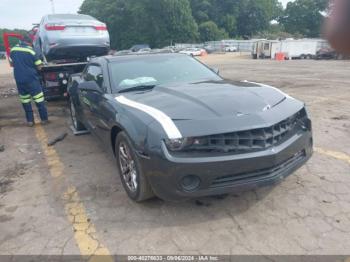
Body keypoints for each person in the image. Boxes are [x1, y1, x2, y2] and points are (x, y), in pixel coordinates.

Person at [9, 34, 49, 127]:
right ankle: (44, 120)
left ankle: (30, 121)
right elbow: (39, 67)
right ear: (29, 42)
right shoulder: (31, 51)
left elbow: (11, 63)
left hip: (19, 80)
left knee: (25, 101)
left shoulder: (13, 50)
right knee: (39, 100)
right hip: (31, 79)